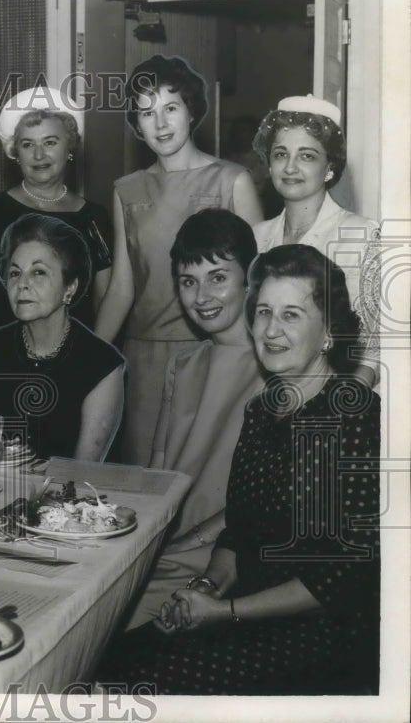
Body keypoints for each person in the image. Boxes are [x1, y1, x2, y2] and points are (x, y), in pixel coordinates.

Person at [97, 244, 380, 694]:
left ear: (329, 332)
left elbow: (337, 583)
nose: (270, 330)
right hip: (245, 609)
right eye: (263, 311)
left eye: (291, 315)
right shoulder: (262, 411)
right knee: (108, 659)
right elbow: (239, 533)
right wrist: (206, 589)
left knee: (150, 681)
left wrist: (225, 613)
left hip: (324, 635)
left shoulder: (354, 419)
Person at [93, 54, 263, 465]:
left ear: (191, 112)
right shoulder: (126, 190)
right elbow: (121, 287)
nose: (161, 123)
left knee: (215, 475)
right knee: (147, 479)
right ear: (137, 125)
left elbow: (259, 282)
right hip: (145, 359)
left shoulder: (232, 181)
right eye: (147, 114)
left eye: (171, 108)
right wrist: (89, 356)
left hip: (220, 350)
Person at [124, 209, 263, 629]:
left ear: (250, 279)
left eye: (217, 277)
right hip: (161, 545)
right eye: (188, 281)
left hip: (221, 554)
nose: (201, 296)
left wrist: (183, 546)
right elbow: (158, 474)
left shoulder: (272, 370)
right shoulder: (183, 364)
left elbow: (259, 504)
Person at [0, 214, 125, 461]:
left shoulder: (102, 366)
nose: (23, 284)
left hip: (72, 496)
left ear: (70, 287)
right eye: (15, 273)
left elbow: (83, 472)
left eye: (38, 272)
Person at [251, 94, 379, 388]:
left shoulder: (362, 237)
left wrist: (347, 399)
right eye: (281, 154)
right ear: (269, 164)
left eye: (307, 156)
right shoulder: (257, 238)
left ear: (330, 168)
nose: (291, 167)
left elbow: (377, 342)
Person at [0, 86, 113, 330]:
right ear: (16, 153)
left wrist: (94, 361)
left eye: (50, 142)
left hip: (78, 360)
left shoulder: (95, 217)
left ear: (69, 147)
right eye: (27, 145)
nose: (39, 155)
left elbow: (106, 304)